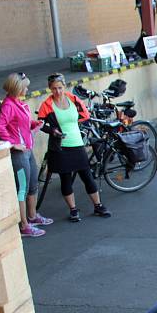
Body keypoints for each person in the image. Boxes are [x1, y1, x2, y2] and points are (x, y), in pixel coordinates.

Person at [38, 73, 111, 222]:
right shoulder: (47, 104)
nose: (57, 92)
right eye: (54, 89)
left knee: (87, 176)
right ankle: (73, 209)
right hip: (61, 147)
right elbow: (41, 124)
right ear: (50, 89)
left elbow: (84, 115)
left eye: (59, 88)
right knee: (65, 179)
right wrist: (53, 130)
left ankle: (98, 205)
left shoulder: (73, 99)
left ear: (64, 86)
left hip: (77, 143)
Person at [0, 73, 53, 237]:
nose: (27, 89)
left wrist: (35, 123)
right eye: (25, 86)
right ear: (18, 88)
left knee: (33, 185)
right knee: (22, 190)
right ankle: (24, 226)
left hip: (28, 151)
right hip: (19, 155)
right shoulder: (8, 105)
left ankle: (32, 217)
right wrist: (13, 144)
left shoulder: (18, 103)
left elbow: (22, 124)